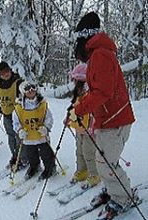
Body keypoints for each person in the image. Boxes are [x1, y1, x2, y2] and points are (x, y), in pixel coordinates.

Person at [70, 11, 136, 219]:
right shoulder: (98, 54)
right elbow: (99, 89)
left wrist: (81, 108)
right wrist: (81, 103)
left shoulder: (100, 55)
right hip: (108, 119)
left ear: (85, 37)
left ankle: (123, 197)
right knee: (103, 160)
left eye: (79, 40)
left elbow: (103, 92)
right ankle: (113, 189)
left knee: (106, 163)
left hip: (114, 120)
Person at [13, 81, 56, 180]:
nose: (31, 90)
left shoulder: (42, 104)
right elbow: (16, 122)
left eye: (33, 88)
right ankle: (34, 167)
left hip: (41, 135)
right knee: (31, 155)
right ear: (23, 92)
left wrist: (46, 127)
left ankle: (50, 168)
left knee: (46, 153)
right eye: (27, 89)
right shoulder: (19, 107)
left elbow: (49, 118)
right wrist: (19, 131)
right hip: (28, 136)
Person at [67, 63, 100, 189]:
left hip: (89, 130)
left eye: (75, 79)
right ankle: (82, 171)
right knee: (79, 151)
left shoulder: (90, 94)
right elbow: (74, 108)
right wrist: (69, 118)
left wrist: (93, 126)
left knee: (88, 152)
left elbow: (93, 112)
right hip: (79, 128)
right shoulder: (77, 94)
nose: (74, 82)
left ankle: (94, 174)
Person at [0, 61, 27, 169]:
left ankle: (22, 158)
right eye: (2, 73)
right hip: (6, 115)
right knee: (11, 137)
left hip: (18, 116)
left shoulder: (18, 82)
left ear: (10, 70)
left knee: (19, 137)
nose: (5, 74)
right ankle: (15, 156)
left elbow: (28, 97)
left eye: (7, 71)